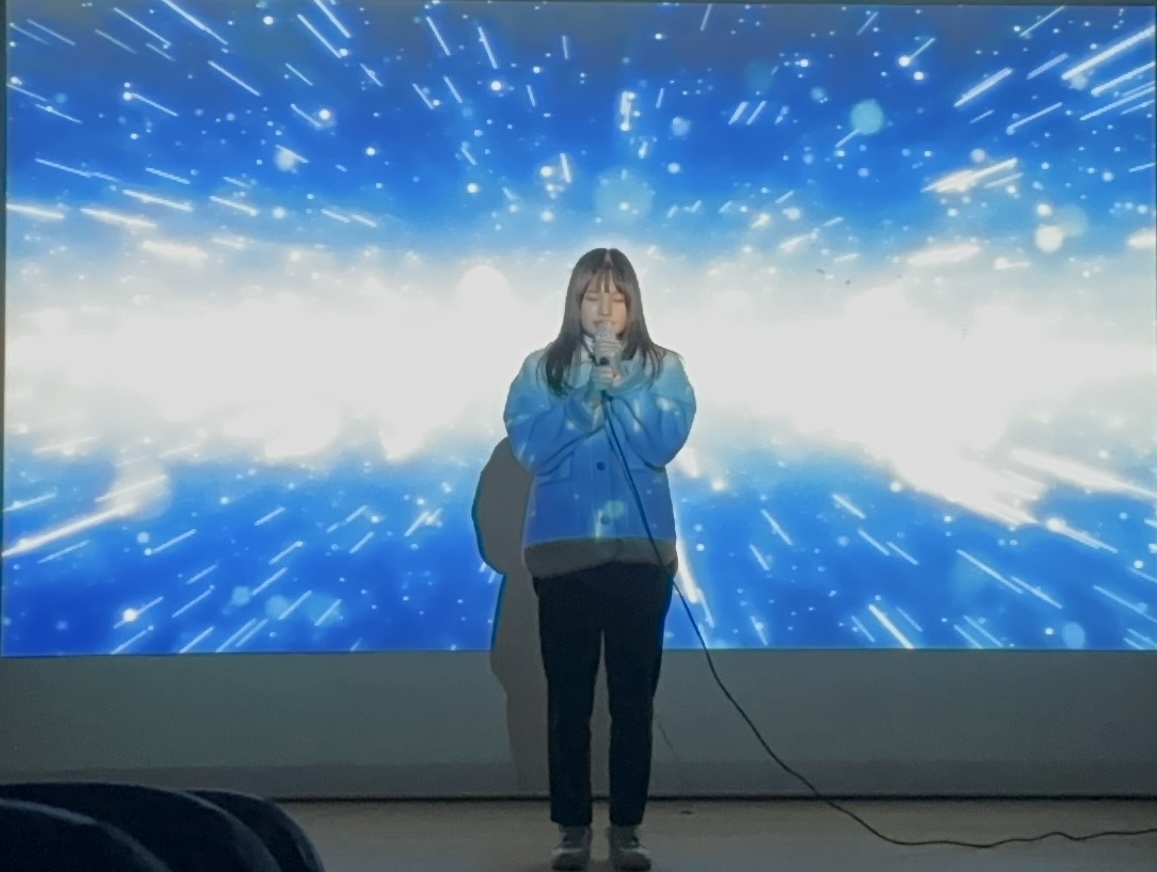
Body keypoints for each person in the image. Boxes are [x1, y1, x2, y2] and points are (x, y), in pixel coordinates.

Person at [502, 248, 696, 871]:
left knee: (633, 702)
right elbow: (531, 448)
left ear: (633, 304)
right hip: (564, 558)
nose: (604, 309)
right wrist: (584, 396)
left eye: (616, 296)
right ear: (575, 302)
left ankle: (628, 828)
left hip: (640, 558)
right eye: (592, 296)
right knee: (569, 702)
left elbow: (661, 443)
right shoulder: (542, 369)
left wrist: (620, 386)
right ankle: (572, 828)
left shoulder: (664, 369)